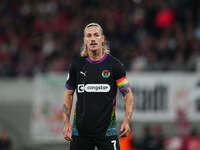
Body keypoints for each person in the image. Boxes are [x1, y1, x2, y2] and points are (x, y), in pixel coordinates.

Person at [62, 23, 134, 150]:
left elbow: (128, 95)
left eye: (96, 35)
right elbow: (68, 94)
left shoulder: (114, 65)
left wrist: (127, 121)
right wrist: (66, 121)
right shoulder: (77, 65)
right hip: (81, 132)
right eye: (89, 36)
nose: (93, 39)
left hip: (107, 132)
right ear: (84, 40)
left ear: (102, 38)